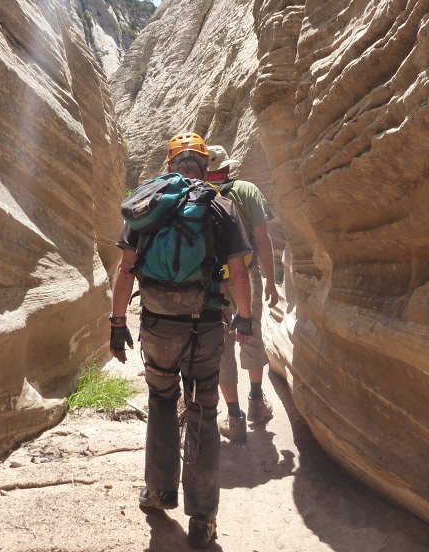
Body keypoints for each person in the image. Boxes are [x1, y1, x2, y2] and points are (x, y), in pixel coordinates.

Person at [110, 132, 253, 549]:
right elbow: (239, 274)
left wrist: (117, 324)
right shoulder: (220, 204)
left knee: (160, 401)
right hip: (205, 325)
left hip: (157, 325)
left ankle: (158, 492)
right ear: (206, 167)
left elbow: (125, 271)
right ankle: (202, 518)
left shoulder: (148, 205)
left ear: (170, 165)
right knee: (204, 411)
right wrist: (245, 318)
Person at [205, 145, 280, 444]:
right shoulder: (247, 190)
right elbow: (263, 240)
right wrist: (272, 281)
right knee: (251, 333)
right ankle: (256, 403)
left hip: (211, 281)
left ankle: (233, 417)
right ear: (227, 166)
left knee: (221, 346)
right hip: (245, 275)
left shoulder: (198, 194)